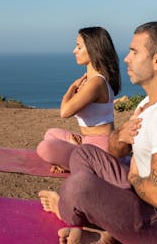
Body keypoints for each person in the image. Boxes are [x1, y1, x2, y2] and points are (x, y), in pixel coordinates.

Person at [39, 21, 157, 244]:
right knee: (85, 154)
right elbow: (116, 150)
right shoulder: (149, 104)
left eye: (134, 52)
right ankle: (107, 227)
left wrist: (134, 176)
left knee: (78, 186)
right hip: (143, 202)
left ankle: (68, 211)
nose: (126, 58)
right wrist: (120, 136)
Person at [36, 26, 121, 173]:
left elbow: (64, 112)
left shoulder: (96, 83)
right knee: (50, 133)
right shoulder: (91, 81)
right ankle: (76, 154)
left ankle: (78, 160)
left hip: (100, 146)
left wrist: (72, 87)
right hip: (87, 140)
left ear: (93, 50)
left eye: (79, 47)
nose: (74, 51)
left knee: (45, 148)